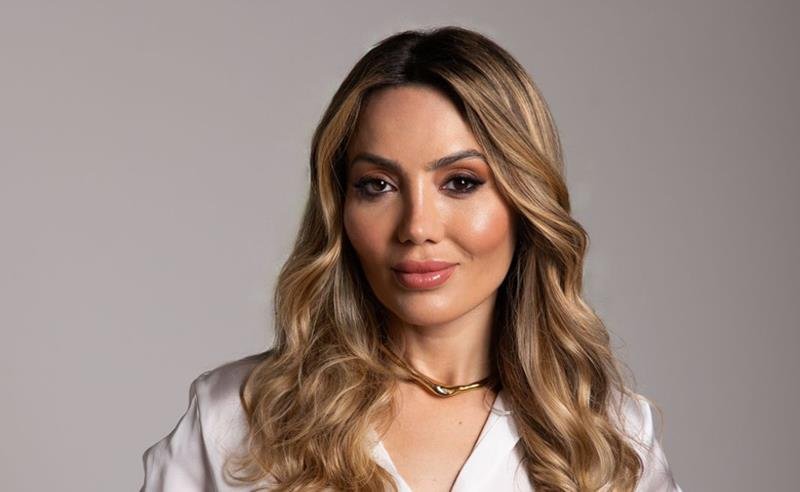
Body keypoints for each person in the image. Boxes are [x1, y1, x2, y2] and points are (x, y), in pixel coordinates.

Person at [140, 26, 682, 492]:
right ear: (340, 209)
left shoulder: (606, 437)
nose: (417, 227)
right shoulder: (237, 416)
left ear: (525, 201)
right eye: (377, 185)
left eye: (461, 182)